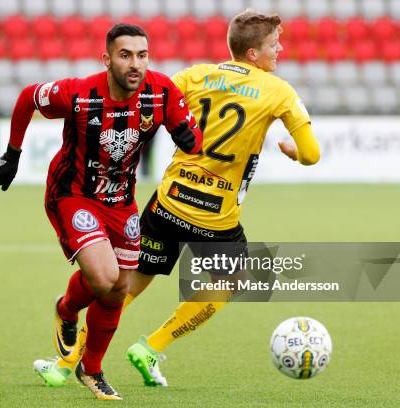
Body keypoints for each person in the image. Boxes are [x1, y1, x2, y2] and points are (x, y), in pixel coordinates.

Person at [33, 9, 320, 388]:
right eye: (273, 43)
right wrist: (294, 152)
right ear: (253, 53)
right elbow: (312, 154)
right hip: (216, 217)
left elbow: (146, 97)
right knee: (229, 281)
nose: (279, 49)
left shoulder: (195, 75)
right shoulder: (279, 91)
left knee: (125, 286)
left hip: (168, 203)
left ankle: (66, 361)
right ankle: (152, 347)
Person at [0, 23, 202, 400]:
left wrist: (189, 139)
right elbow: (28, 97)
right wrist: (13, 153)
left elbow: (191, 134)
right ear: (107, 59)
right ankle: (67, 309)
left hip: (122, 201)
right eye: (125, 55)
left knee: (120, 288)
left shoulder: (161, 91)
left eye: (142, 55)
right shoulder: (77, 93)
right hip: (73, 195)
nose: (135, 64)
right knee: (106, 277)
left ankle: (92, 370)